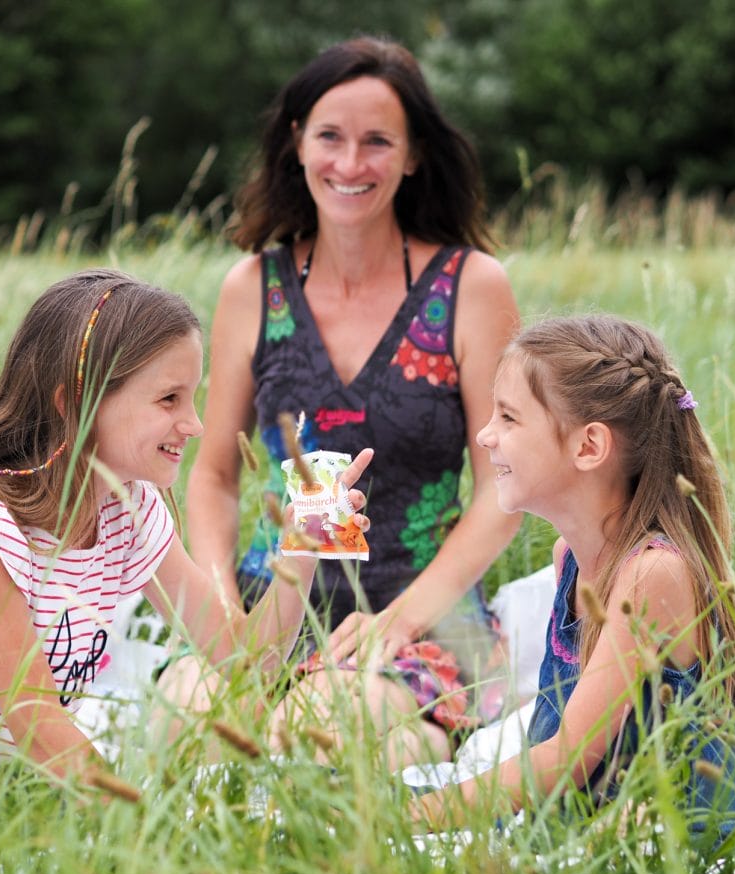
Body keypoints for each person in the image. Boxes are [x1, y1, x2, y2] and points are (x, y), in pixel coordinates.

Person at [0, 269, 372, 785]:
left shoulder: (128, 509)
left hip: (27, 784)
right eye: (169, 398)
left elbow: (245, 662)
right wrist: (135, 826)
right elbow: (36, 721)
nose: (195, 424)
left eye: (192, 397)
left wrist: (301, 548)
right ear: (77, 403)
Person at [180, 36, 521, 766]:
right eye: (331, 137)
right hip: (275, 597)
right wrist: (218, 604)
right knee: (184, 719)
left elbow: (505, 489)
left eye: (377, 142)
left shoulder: (472, 286)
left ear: (414, 154)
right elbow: (213, 475)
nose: (350, 164)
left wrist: (400, 620)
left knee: (320, 731)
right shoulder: (253, 288)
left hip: (420, 605)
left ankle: (419, 737)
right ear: (298, 142)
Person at [416, 314, 735, 837]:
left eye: (509, 418)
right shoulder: (569, 558)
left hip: (663, 848)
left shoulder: (653, 573)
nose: (484, 434)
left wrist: (408, 819)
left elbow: (564, 759)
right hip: (579, 827)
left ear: (588, 446)